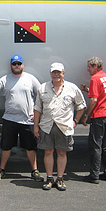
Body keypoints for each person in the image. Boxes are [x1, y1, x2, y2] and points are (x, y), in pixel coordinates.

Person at [0, 55, 43, 182]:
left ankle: (34, 170)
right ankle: (1, 170)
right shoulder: (5, 79)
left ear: (23, 65)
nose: (16, 66)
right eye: (14, 64)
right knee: (6, 147)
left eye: (19, 63)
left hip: (27, 120)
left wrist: (38, 114)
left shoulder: (30, 79)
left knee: (31, 147)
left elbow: (41, 96)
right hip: (9, 119)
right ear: (11, 65)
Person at [34, 63, 86, 191]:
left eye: (58, 72)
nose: (56, 75)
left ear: (63, 73)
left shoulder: (72, 88)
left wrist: (75, 121)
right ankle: (50, 178)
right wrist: (36, 126)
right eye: (53, 72)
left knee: (62, 152)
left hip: (64, 126)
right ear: (50, 73)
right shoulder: (42, 88)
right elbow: (37, 109)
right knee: (48, 152)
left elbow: (81, 106)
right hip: (47, 126)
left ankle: (60, 179)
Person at [81, 57, 106, 184]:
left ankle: (94, 175)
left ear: (96, 66)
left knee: (95, 145)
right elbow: (101, 93)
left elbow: (94, 100)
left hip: (99, 116)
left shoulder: (95, 78)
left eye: (89, 66)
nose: (88, 69)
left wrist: (86, 116)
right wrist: (87, 90)